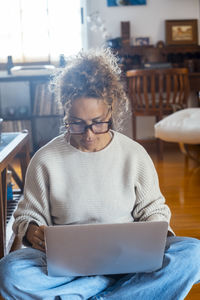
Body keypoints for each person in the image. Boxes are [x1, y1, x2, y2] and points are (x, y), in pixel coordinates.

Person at [0, 48, 200, 300]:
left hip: (129, 264)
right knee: (10, 273)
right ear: (65, 113)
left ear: (110, 111)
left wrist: (152, 237)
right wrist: (31, 230)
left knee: (194, 254)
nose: (89, 134)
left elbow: (154, 210)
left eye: (98, 122)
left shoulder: (134, 154)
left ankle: (90, 294)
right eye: (76, 123)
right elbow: (27, 215)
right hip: (67, 269)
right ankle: (117, 293)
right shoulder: (45, 159)